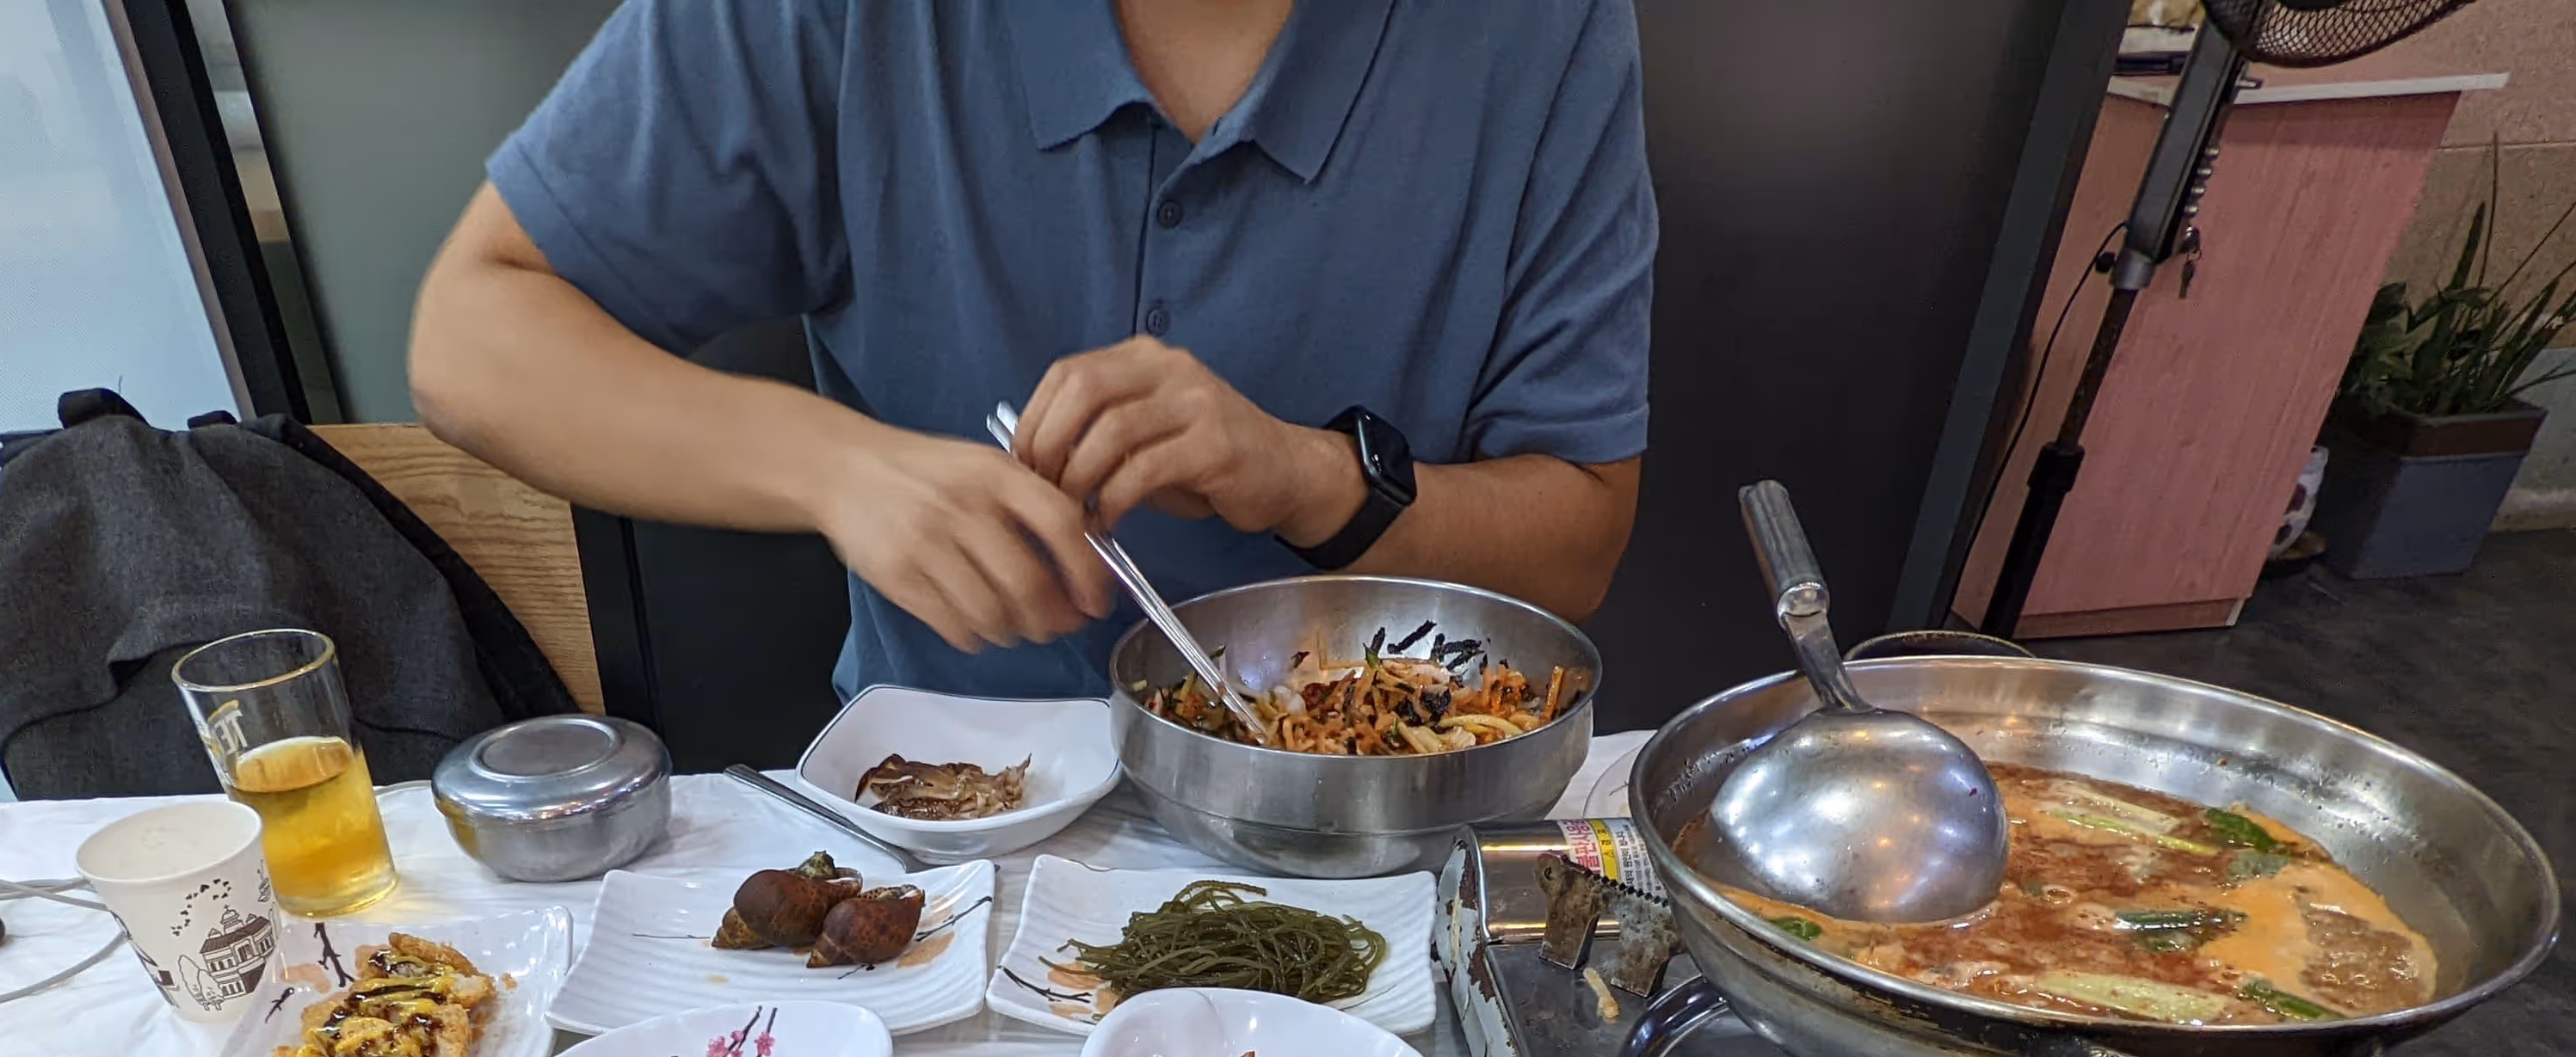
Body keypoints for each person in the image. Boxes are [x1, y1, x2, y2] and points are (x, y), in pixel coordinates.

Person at [408, 0, 1656, 701]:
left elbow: (1581, 544)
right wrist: (838, 469)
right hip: (953, 812)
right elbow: (473, 336)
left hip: (1380, 807)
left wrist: (1309, 478)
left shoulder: (1536, 32)